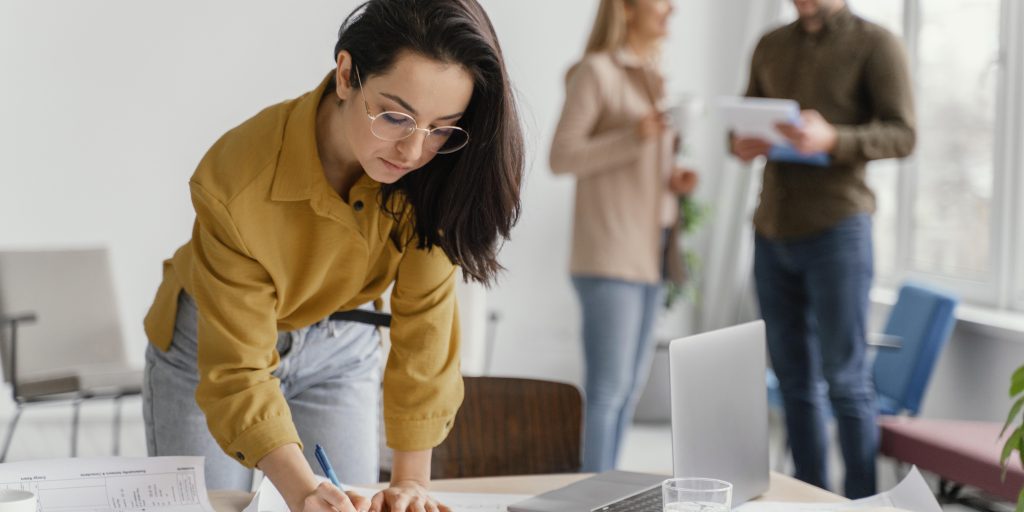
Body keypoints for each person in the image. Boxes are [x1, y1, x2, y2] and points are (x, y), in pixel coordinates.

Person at [141, 0, 524, 510]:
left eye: (441, 128)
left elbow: (425, 328)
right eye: (395, 116)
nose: (413, 151)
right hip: (212, 343)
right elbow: (238, 371)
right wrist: (302, 493)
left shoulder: (436, 176)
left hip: (343, 340)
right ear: (346, 74)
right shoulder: (235, 180)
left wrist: (411, 482)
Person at [731, 0, 915, 498]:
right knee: (794, 383)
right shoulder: (770, 44)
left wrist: (834, 139)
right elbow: (742, 125)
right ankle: (811, 502)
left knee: (847, 382)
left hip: (838, 231)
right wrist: (742, 141)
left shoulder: (877, 44)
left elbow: (903, 133)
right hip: (771, 231)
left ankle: (862, 504)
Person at [549, 0, 697, 472]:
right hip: (609, 252)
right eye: (662, 1)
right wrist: (634, 137)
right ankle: (591, 494)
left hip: (651, 251)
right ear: (627, 9)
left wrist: (673, 180)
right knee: (608, 390)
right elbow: (562, 156)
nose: (672, 9)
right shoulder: (595, 72)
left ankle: (607, 488)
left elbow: (636, 164)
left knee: (630, 388)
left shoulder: (650, 76)